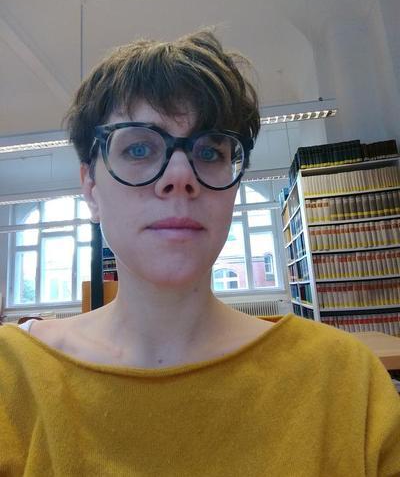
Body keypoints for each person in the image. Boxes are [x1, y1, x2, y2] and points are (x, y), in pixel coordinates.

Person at [0, 29, 399, 476]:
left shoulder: (345, 380)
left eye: (210, 151)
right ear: (90, 188)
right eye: (138, 148)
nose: (180, 176)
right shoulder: (11, 376)